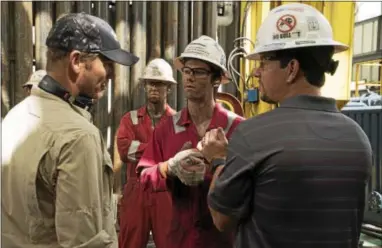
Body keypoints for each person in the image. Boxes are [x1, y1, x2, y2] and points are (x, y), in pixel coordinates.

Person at [204, 3, 373, 248]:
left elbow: (222, 219)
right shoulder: (358, 139)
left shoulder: (253, 134)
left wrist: (218, 160)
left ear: (291, 69)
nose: (256, 73)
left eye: (263, 63)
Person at [1, 12, 139, 248]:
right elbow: (84, 241)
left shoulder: (15, 115)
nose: (113, 75)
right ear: (76, 61)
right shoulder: (78, 135)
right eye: (106, 63)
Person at [136, 35, 245, 248]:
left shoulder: (238, 129)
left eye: (199, 72)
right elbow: (143, 177)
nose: (189, 77)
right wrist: (170, 168)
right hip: (179, 240)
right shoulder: (166, 129)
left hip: (223, 241)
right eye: (186, 71)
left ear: (217, 79)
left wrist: (219, 167)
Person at [117, 58, 177, 248]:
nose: (154, 87)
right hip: (137, 189)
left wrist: (141, 148)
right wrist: (161, 151)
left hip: (166, 189)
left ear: (168, 88)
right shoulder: (130, 119)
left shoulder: (177, 121)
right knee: (130, 243)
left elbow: (179, 155)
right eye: (150, 83)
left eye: (159, 83)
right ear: (144, 86)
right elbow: (125, 151)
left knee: (171, 242)